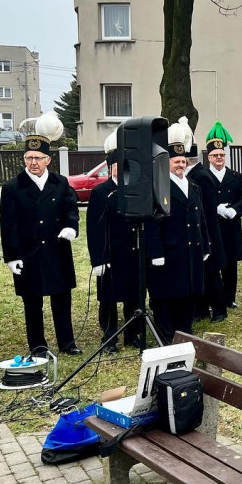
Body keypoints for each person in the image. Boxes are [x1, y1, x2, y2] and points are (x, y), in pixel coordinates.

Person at [0, 113, 82, 357]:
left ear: (48, 159)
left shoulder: (60, 183)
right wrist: (12, 256)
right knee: (32, 303)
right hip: (29, 252)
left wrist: (71, 226)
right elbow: (8, 224)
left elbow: (71, 209)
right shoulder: (13, 187)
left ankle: (66, 342)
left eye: (37, 158)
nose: (33, 162)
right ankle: (38, 345)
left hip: (56, 250)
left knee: (61, 299)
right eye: (28, 158)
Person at [144, 122, 211, 341]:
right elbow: (152, 223)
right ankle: (166, 338)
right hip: (169, 253)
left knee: (187, 296)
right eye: (176, 161)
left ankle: (185, 335)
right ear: (167, 163)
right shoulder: (158, 187)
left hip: (190, 251)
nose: (180, 165)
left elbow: (201, 219)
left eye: (183, 161)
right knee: (167, 298)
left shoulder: (193, 187)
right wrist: (155, 252)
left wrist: (205, 245)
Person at [87, 130, 146, 352]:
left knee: (133, 297)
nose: (121, 170)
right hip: (110, 254)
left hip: (132, 252)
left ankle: (132, 335)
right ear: (110, 167)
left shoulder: (135, 189)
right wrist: (98, 259)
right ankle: (110, 337)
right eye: (116, 166)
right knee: (109, 299)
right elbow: (94, 228)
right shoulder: (101, 192)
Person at [203, 122, 242, 310]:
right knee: (213, 263)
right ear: (209, 158)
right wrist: (215, 208)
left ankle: (229, 298)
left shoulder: (235, 176)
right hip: (213, 226)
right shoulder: (203, 176)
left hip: (230, 225)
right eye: (215, 156)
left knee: (230, 263)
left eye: (222, 155)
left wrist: (234, 210)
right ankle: (214, 299)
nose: (219, 158)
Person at [184, 125, 227, 323]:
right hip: (202, 233)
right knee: (201, 273)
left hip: (208, 232)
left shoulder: (200, 176)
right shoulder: (195, 175)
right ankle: (201, 310)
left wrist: (206, 237)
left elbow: (208, 210)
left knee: (211, 274)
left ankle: (219, 310)